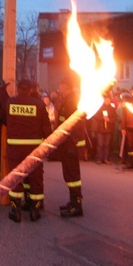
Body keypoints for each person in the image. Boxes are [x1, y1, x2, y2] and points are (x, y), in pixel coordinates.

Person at [6, 79, 51, 223]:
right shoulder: (39, 104)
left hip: (14, 148)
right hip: (34, 149)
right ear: (31, 89)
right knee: (35, 178)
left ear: (18, 89)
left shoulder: (10, 103)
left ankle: (16, 211)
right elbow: (46, 128)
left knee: (15, 178)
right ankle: (35, 211)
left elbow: (4, 120)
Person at [56, 77, 86, 218]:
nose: (59, 88)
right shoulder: (68, 100)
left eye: (61, 85)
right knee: (69, 174)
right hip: (67, 143)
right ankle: (73, 201)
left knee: (73, 175)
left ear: (66, 86)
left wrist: (71, 141)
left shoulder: (72, 101)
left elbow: (76, 124)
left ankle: (77, 205)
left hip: (70, 144)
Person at [91, 92, 117, 164]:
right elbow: (95, 116)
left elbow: (115, 118)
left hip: (108, 129)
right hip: (100, 129)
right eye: (105, 99)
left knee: (106, 145)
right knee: (100, 144)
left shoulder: (112, 108)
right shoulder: (100, 107)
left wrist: (109, 120)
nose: (106, 100)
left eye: (108, 99)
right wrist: (102, 118)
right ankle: (99, 158)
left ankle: (105, 158)